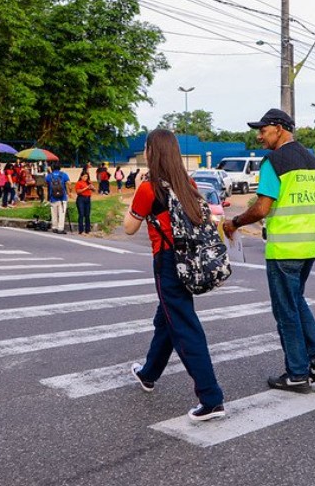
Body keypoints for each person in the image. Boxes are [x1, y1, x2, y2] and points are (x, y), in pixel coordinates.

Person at [222, 108, 315, 393]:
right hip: (309, 245)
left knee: (285, 310)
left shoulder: (274, 161)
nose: (259, 136)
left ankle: (297, 373)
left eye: (263, 130)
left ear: (280, 129)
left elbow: (261, 208)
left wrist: (234, 222)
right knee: (296, 301)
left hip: (284, 247)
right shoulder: (313, 162)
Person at [124, 128, 225, 421]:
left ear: (152, 152)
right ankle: (148, 373)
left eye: (146, 148)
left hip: (167, 262)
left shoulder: (149, 188)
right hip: (189, 261)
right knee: (166, 318)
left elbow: (129, 228)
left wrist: (136, 190)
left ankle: (211, 398)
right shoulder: (187, 183)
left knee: (183, 326)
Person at [45, 162, 70, 234]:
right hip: (62, 198)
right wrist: (69, 192)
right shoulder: (64, 174)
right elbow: (69, 183)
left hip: (53, 197)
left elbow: (46, 183)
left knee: (54, 213)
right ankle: (60, 228)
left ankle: (54, 227)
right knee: (62, 213)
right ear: (60, 167)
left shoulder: (49, 176)